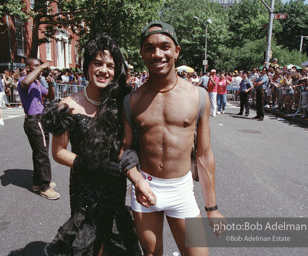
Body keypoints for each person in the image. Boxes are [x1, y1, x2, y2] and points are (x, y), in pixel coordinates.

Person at [122, 20, 224, 256]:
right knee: (151, 253)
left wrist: (212, 208)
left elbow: (204, 154)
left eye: (165, 46)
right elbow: (124, 150)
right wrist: (137, 180)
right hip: (145, 187)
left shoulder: (198, 96)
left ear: (176, 51)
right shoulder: (132, 101)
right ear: (142, 54)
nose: (157, 54)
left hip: (181, 190)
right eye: (149, 48)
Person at [42, 33, 142, 256]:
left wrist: (133, 153)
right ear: (87, 65)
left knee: (112, 241)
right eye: (97, 63)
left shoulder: (121, 102)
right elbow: (58, 153)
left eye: (110, 65)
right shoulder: (67, 105)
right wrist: (90, 164)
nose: (103, 70)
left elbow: (128, 142)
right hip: (84, 187)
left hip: (114, 184)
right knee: (88, 244)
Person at [18, 58, 59, 200]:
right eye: (35, 66)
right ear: (27, 67)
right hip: (34, 121)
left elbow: (50, 96)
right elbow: (24, 83)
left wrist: (50, 84)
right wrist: (42, 67)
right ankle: (45, 187)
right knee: (42, 155)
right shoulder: (25, 79)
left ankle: (37, 182)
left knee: (39, 152)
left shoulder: (36, 82)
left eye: (38, 65)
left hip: (40, 120)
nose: (38, 68)